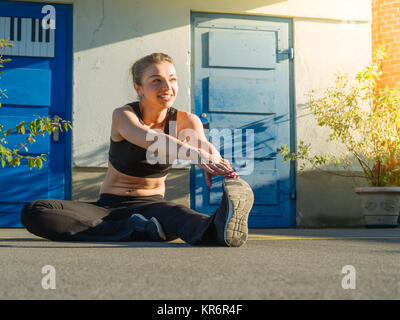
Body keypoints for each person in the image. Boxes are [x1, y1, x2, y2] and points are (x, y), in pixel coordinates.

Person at [20, 53, 254, 247]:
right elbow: (150, 138)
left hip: (152, 206)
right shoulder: (124, 116)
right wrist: (197, 155)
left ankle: (220, 226)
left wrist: (216, 162)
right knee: (36, 212)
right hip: (107, 207)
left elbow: (201, 143)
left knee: (183, 216)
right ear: (138, 88)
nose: (167, 87)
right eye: (156, 81)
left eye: (172, 79)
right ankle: (134, 229)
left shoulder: (185, 120)